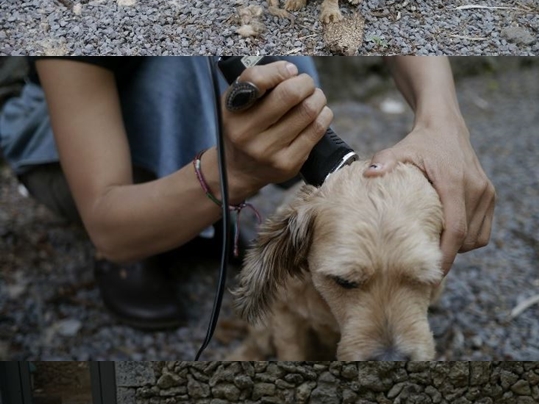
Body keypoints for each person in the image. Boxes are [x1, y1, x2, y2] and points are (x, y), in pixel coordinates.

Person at [0, 56, 495, 331]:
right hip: (75, 156)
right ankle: (159, 235)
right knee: (176, 74)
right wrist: (231, 174)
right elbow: (107, 226)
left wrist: (443, 120)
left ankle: (202, 215)